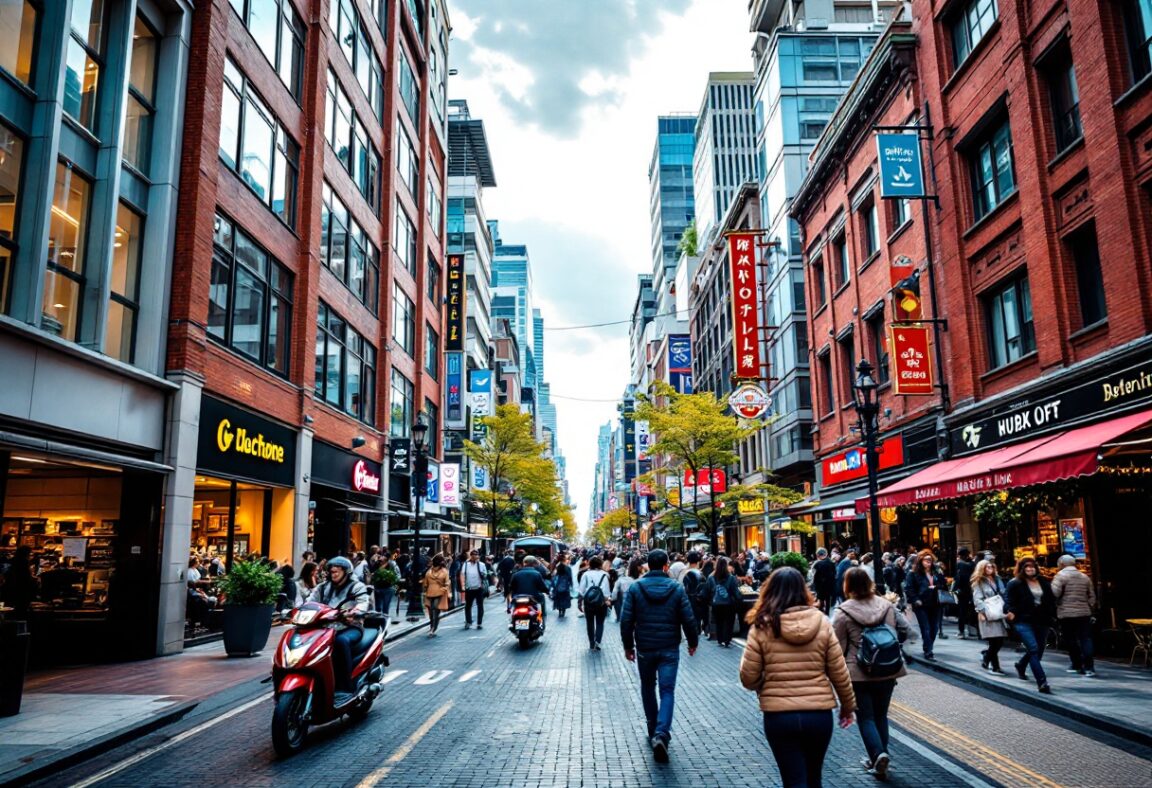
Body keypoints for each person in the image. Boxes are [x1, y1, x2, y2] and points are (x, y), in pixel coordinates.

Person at [739, 567, 855, 788]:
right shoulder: (822, 622)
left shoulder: (762, 625)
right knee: (814, 778)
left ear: (770, 591)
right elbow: (839, 671)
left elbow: (748, 677)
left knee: (793, 780)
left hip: (779, 715)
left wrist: (764, 683)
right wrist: (848, 706)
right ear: (804, 590)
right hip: (818, 714)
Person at [619, 549, 698, 763]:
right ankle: (662, 733)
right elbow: (688, 618)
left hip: (645, 647)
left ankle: (653, 727)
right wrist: (693, 642)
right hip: (669, 647)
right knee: (667, 690)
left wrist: (628, 646)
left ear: (648, 566)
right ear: (665, 566)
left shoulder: (636, 588)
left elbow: (626, 620)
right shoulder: (676, 588)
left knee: (647, 686)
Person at [833, 568, 909, 780]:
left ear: (847, 585)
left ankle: (877, 755)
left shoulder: (843, 611)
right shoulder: (886, 606)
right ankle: (880, 756)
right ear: (869, 582)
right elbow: (906, 629)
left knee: (866, 717)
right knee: (881, 715)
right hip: (887, 668)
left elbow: (837, 647)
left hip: (859, 672)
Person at [307, 556, 371, 696]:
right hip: (324, 627)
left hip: (349, 626)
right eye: (332, 572)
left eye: (337, 571)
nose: (334, 574)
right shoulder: (323, 587)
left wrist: (356, 611)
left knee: (340, 642)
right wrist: (295, 610)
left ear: (346, 572)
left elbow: (363, 602)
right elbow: (309, 602)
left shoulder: (356, 586)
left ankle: (346, 685)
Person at [1004, 556, 1057, 694]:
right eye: (1026, 567)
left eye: (1032, 566)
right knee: (1033, 649)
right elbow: (1008, 601)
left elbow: (1051, 599)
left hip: (1042, 620)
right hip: (1023, 620)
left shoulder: (1043, 582)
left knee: (1038, 651)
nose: (1029, 569)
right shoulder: (1015, 583)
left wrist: (1053, 614)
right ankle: (1042, 682)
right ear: (1021, 568)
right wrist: (1011, 612)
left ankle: (1021, 665)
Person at [1051, 554, 1097, 677]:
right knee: (1085, 639)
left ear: (1061, 564)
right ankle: (1089, 667)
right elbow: (1092, 596)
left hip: (1066, 613)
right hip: (1084, 613)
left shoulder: (1060, 576)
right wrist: (1090, 608)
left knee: (1070, 639)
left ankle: (1076, 664)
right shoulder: (1084, 577)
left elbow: (1055, 593)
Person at [970, 558, 1008, 675]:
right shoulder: (978, 582)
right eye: (987, 567)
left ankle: (987, 657)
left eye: (991, 567)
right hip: (988, 613)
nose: (990, 569)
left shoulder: (997, 579)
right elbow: (977, 599)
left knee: (1000, 640)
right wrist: (982, 612)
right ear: (982, 568)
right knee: (994, 641)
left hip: (999, 612)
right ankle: (995, 666)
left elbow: (1003, 593)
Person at [905, 549, 942, 660]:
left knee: (934, 628)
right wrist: (916, 599)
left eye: (930, 559)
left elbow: (943, 585)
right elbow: (909, 588)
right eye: (926, 560)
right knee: (925, 628)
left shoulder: (936, 572)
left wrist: (936, 586)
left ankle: (928, 646)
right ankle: (928, 651)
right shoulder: (913, 574)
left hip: (935, 603)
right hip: (921, 604)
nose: (928, 561)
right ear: (920, 561)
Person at [705, 556, 741, 647]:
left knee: (719, 622)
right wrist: (739, 599)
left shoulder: (711, 578)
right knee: (729, 622)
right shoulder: (731, 578)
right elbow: (736, 592)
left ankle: (720, 639)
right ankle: (727, 640)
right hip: (729, 604)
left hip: (716, 604)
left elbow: (708, 590)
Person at [578, 556, 611, 650]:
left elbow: (581, 591)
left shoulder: (586, 574)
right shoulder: (605, 575)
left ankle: (591, 642)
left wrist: (579, 603)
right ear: (601, 564)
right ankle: (598, 641)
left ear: (590, 564)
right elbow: (607, 591)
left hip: (588, 603)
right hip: (601, 602)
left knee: (590, 623)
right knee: (600, 622)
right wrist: (607, 600)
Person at [681, 551, 710, 639]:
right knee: (701, 615)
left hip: (689, 597)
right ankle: (702, 630)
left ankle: (695, 631)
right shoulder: (700, 573)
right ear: (698, 561)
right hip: (700, 598)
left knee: (692, 616)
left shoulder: (685, 572)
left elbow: (684, 587)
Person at [458, 550, 488, 630]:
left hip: (479, 588)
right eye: (473, 555)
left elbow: (485, 575)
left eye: (476, 555)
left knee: (480, 606)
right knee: (468, 606)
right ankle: (468, 621)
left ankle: (479, 623)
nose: (475, 556)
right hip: (469, 588)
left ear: (478, 556)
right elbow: (462, 574)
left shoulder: (481, 565)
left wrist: (483, 575)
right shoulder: (466, 565)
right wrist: (463, 586)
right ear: (470, 556)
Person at [422, 554, 450, 636]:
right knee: (431, 612)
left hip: (439, 594)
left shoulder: (444, 571)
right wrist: (424, 590)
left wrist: (443, 590)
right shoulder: (429, 571)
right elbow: (425, 583)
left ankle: (433, 628)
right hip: (429, 594)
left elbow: (447, 583)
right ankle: (432, 627)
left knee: (435, 610)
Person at [952, 548, 976, 639]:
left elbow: (958, 578)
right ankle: (972, 630)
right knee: (972, 610)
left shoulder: (960, 564)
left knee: (962, 612)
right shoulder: (972, 564)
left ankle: (961, 631)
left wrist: (955, 589)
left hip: (963, 591)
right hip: (972, 589)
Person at [613, 557, 642, 622]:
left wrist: (611, 599)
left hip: (625, 609)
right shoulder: (642, 580)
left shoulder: (621, 580)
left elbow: (614, 595)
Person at [812, 548, 836, 614]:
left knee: (821, 601)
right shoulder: (831, 563)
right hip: (830, 586)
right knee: (828, 601)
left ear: (817, 555)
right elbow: (834, 574)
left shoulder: (817, 564)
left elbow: (814, 577)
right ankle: (827, 614)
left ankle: (821, 614)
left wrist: (815, 587)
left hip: (821, 587)